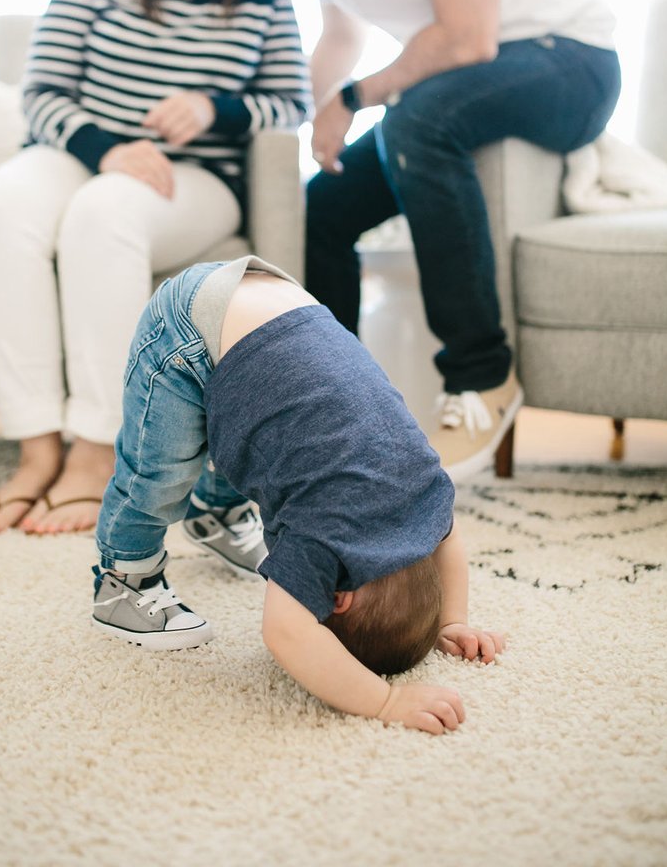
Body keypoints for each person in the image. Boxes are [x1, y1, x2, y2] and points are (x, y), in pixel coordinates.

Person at [220, 0, 622, 477]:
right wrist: (295, 125)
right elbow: (343, 31)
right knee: (322, 208)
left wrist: (353, 98)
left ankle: (481, 376)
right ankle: (339, 414)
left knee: (414, 121)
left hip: (571, 61)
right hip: (463, 88)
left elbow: (468, 37)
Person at [0, 0, 310, 536]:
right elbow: (42, 93)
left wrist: (216, 107)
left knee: (106, 211)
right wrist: (108, 147)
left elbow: (291, 101)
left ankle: (98, 453)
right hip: (85, 155)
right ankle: (35, 451)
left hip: (193, 181)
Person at [92, 257, 505, 732]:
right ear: (336, 599)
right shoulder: (324, 539)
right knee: (157, 474)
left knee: (267, 442)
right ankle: (124, 576)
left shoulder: (423, 490)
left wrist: (452, 621)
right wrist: (386, 702)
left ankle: (219, 514)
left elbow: (448, 539)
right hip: (189, 324)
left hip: (286, 307)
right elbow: (286, 634)